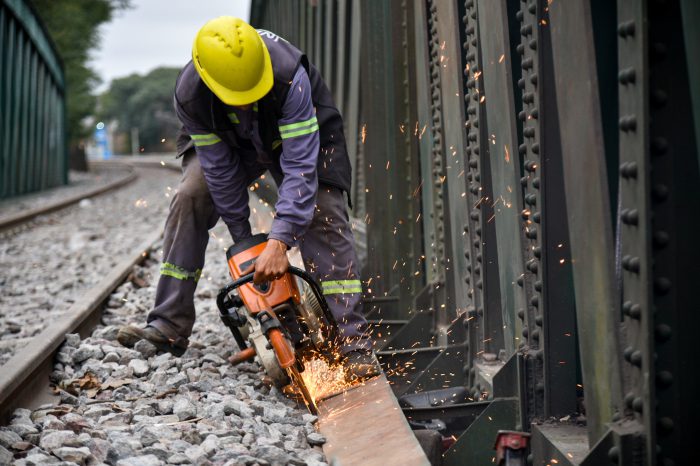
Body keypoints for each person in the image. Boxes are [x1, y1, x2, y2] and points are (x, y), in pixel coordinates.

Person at [117, 17, 379, 378]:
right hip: (230, 142)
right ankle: (168, 324)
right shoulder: (191, 94)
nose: (245, 103)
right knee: (190, 194)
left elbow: (302, 166)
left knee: (324, 209)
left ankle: (352, 343)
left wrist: (279, 240)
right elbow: (220, 173)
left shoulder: (289, 76)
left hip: (296, 134)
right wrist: (246, 246)